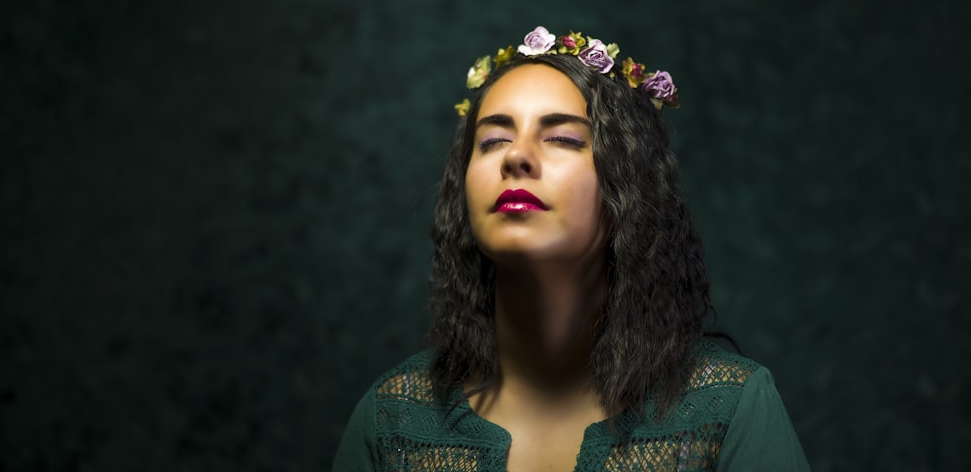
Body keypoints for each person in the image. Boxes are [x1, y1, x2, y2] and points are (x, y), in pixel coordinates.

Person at [333, 26, 810, 471]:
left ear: (627, 184)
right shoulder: (391, 418)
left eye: (562, 138)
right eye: (493, 140)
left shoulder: (729, 408)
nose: (516, 156)